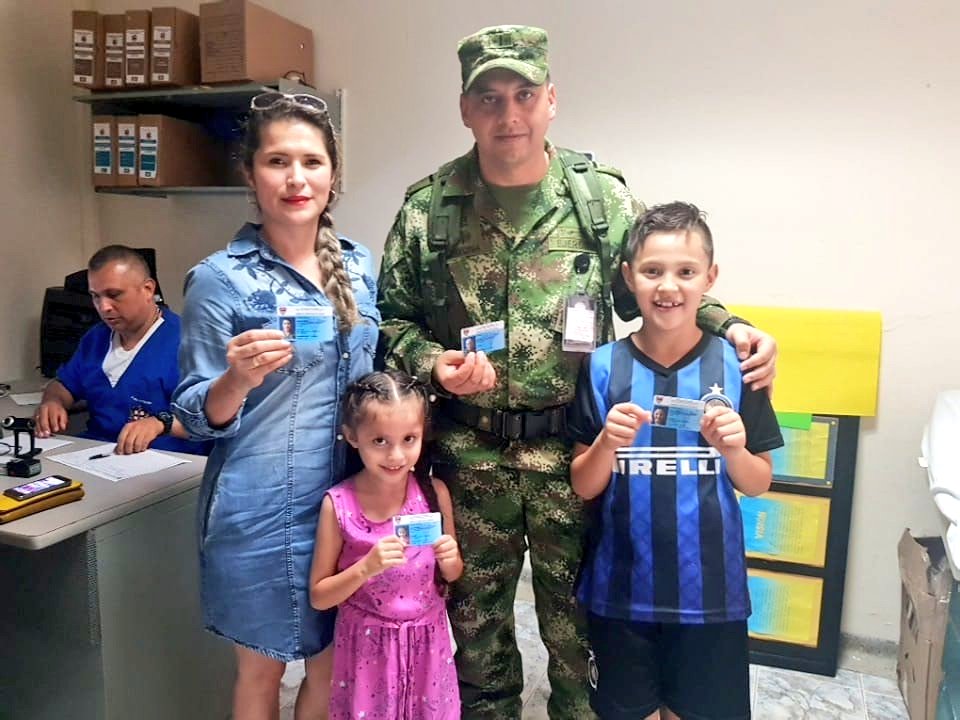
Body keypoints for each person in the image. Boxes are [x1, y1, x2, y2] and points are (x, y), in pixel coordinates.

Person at [376, 25, 778, 720]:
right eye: (489, 97)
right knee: (475, 632)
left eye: (524, 94)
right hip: (470, 456)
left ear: (551, 100)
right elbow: (390, 322)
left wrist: (728, 324)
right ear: (466, 108)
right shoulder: (427, 210)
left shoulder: (600, 201)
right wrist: (433, 364)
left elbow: (656, 283)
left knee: (581, 633)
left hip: (576, 453)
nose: (509, 114)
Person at [171, 91, 380, 720]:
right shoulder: (219, 279)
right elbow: (191, 412)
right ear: (249, 173)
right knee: (261, 672)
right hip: (258, 511)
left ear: (334, 175)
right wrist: (235, 380)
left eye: (312, 162)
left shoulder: (359, 266)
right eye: (277, 162)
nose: (296, 179)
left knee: (332, 668)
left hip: (348, 504)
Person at [569, 202, 785, 720]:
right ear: (629, 277)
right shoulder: (602, 367)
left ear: (710, 278)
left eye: (686, 272)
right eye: (652, 271)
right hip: (622, 594)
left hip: (711, 595)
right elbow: (582, 484)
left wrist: (733, 449)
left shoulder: (739, 367)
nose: (669, 286)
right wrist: (606, 445)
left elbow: (759, 482)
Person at [310, 370, 463, 719]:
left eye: (409, 439)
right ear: (352, 436)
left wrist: (451, 559)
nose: (396, 455)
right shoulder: (339, 505)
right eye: (380, 440)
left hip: (428, 647)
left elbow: (452, 574)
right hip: (368, 653)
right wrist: (365, 568)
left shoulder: (434, 494)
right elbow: (319, 596)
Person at [34, 245, 200, 454]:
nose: (104, 307)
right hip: (97, 453)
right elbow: (64, 384)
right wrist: (53, 401)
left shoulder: (189, 344)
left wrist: (159, 424)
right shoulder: (96, 338)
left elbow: (214, 420)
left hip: (165, 460)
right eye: (96, 296)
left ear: (148, 289)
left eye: (114, 295)